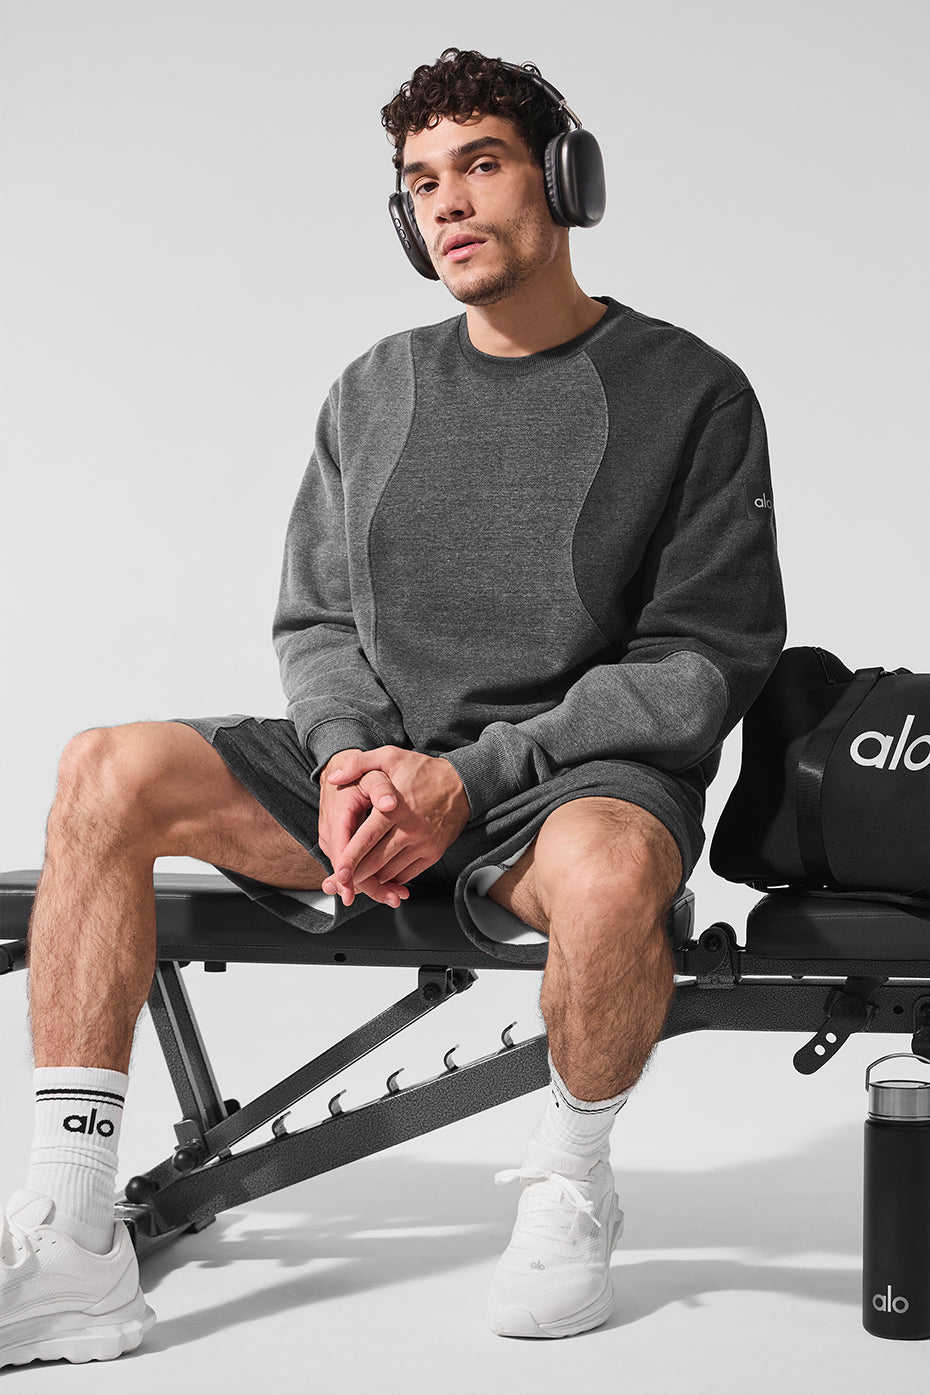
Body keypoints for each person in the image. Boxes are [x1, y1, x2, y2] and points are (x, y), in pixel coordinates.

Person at [0, 46, 787, 1366]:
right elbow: (316, 622)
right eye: (422, 183)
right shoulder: (372, 389)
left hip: (562, 789)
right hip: (371, 781)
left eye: (481, 164)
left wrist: (469, 779)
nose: (450, 204)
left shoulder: (690, 391)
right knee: (104, 768)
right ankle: (73, 1232)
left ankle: (570, 1183)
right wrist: (350, 761)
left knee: (610, 878)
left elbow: (706, 658)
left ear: (564, 180)